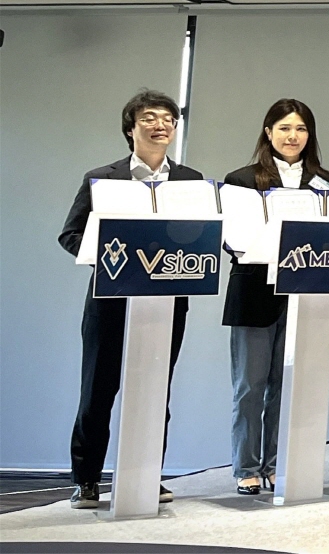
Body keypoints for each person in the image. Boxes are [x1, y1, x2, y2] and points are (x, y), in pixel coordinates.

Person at [59, 90, 205, 510]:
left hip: (167, 302)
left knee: (156, 392)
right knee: (98, 391)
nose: (161, 125)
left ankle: (146, 476)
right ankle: (86, 479)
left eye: (169, 119)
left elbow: (201, 234)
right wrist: (111, 259)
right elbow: (70, 234)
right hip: (111, 300)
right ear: (130, 128)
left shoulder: (191, 180)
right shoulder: (102, 178)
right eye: (150, 118)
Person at [222, 99, 329, 495]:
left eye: (301, 129)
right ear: (268, 132)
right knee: (249, 386)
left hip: (305, 294)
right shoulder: (241, 180)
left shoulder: (326, 183)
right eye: (285, 128)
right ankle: (245, 466)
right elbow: (230, 238)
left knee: (287, 386)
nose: (293, 136)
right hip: (253, 291)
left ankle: (276, 463)